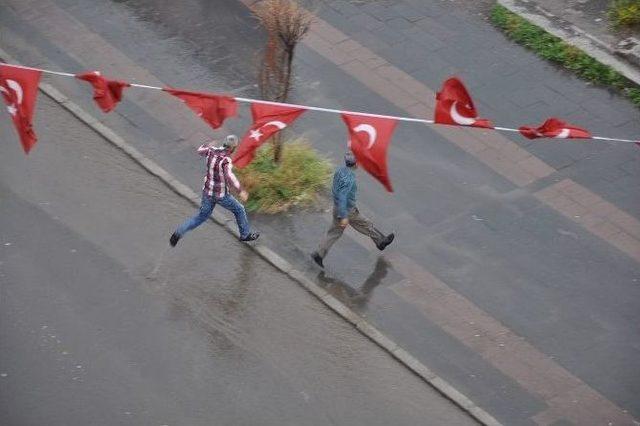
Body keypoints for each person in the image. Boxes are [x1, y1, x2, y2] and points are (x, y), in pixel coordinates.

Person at [169, 135, 259, 246]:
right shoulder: (226, 160)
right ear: (232, 148)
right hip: (221, 195)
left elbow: (200, 150)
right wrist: (241, 191)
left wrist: (208, 144)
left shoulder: (211, 151)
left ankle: (178, 233)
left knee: (200, 217)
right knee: (239, 209)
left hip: (207, 193)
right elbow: (229, 176)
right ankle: (245, 235)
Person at [311, 152, 394, 268]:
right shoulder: (349, 179)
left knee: (334, 232)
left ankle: (319, 254)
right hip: (346, 210)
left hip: (337, 207)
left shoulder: (340, 171)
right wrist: (344, 216)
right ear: (355, 164)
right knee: (365, 224)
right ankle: (381, 242)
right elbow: (343, 196)